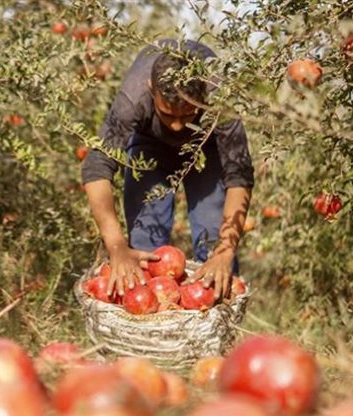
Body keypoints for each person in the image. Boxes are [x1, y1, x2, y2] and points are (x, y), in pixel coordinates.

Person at [81, 38, 254, 301]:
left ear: (205, 95)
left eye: (187, 115)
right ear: (151, 91)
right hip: (150, 146)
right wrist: (116, 246)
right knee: (144, 247)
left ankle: (219, 334)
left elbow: (239, 175)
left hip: (204, 147)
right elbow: (96, 166)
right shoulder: (134, 96)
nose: (176, 127)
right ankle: (148, 335)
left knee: (215, 248)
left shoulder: (220, 96)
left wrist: (225, 251)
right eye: (167, 115)